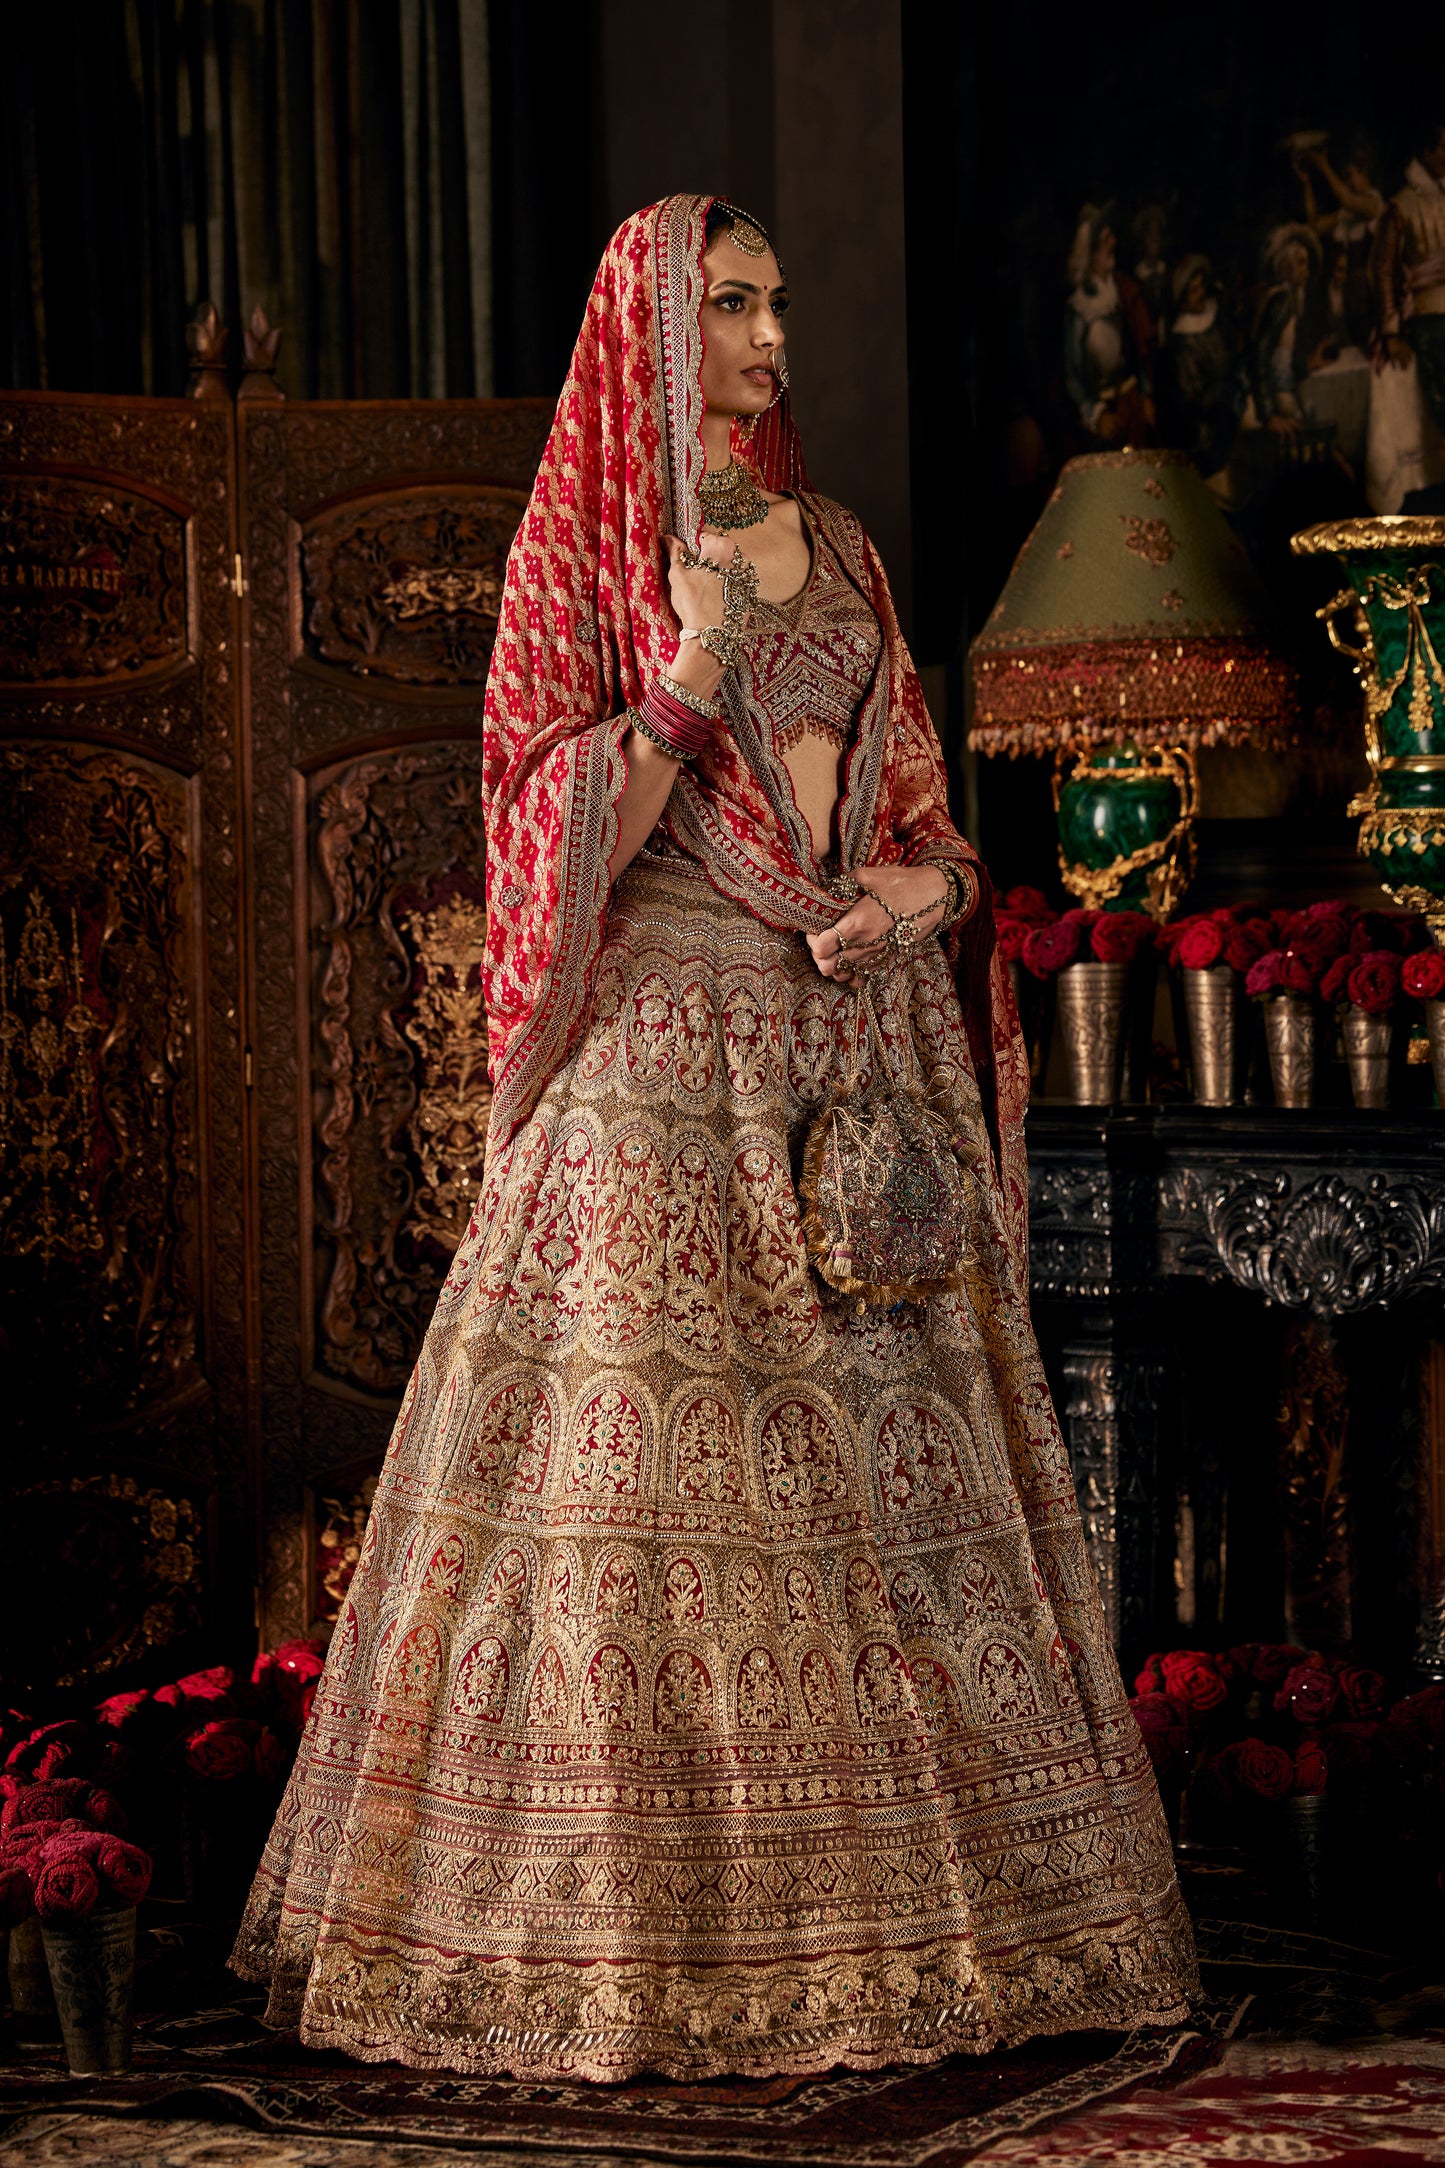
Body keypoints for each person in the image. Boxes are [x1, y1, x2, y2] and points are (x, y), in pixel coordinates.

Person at [232, 194, 1196, 2082]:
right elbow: (528, 821)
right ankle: (630, 1953)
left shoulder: (833, 547)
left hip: (853, 1068)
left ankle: (917, 1941)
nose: (769, 340)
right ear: (652, 334)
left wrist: (906, 907)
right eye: (731, 307)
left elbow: (928, 815)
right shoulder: (587, 557)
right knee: (637, 1517)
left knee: (884, 1511)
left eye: (775, 303)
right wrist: (679, 668)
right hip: (658, 1089)